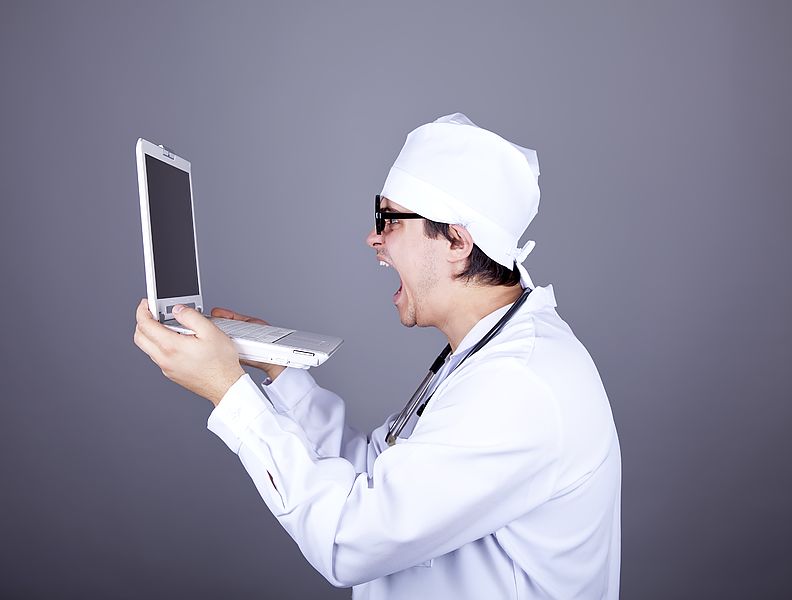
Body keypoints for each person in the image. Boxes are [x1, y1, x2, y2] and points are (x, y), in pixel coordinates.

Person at [133, 113, 621, 599]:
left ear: (456, 241)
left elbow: (349, 540)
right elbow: (372, 474)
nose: (374, 237)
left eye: (389, 218)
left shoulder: (517, 387)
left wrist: (229, 394)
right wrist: (277, 369)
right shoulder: (487, 354)